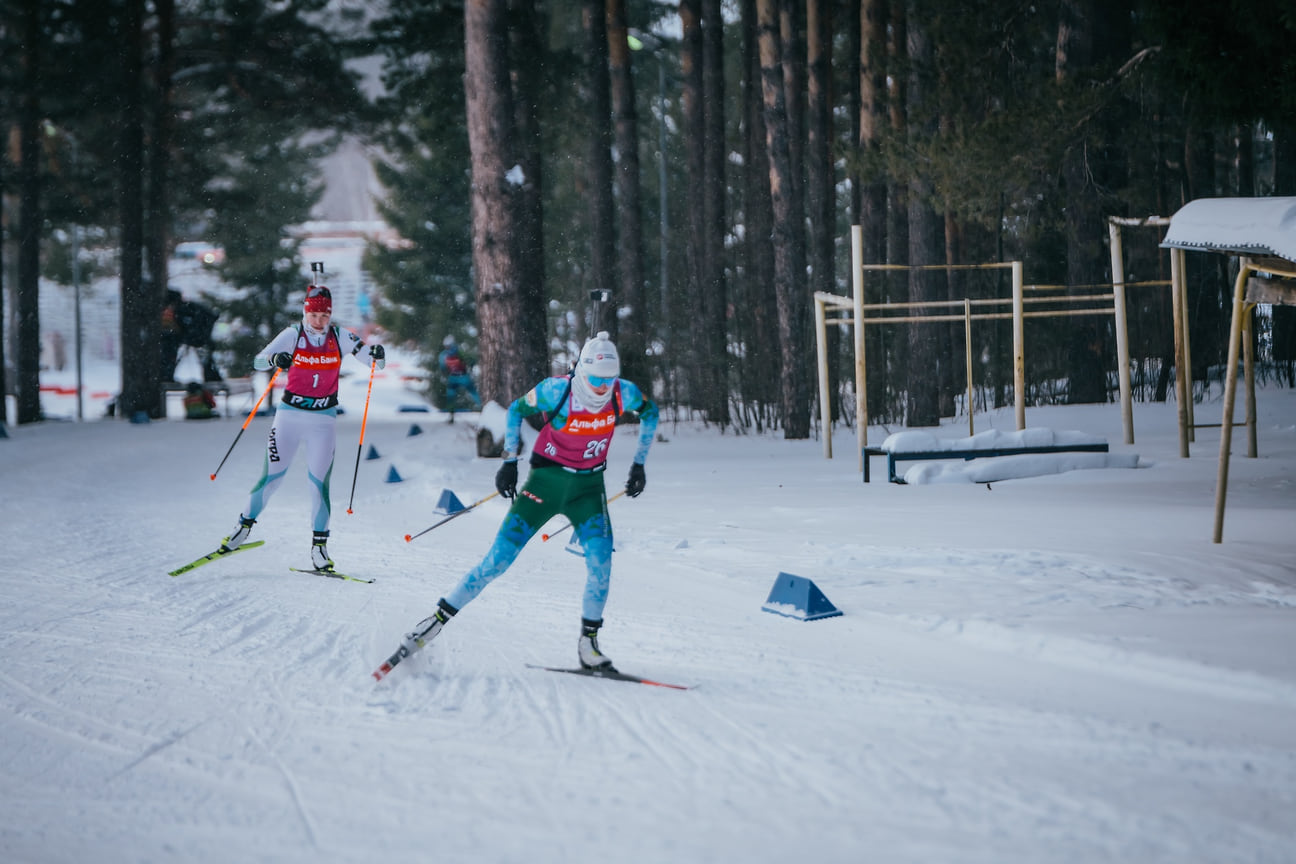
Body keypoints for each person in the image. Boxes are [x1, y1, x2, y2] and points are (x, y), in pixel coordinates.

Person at [402, 331, 658, 670]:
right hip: (545, 484)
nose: (601, 387)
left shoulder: (623, 393)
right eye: (596, 378)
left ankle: (589, 645)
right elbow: (515, 411)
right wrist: (509, 461)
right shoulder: (557, 390)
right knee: (497, 561)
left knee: (601, 563)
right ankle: (433, 622)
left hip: (588, 489)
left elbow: (651, 413)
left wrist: (639, 463)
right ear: (582, 370)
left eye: (608, 379)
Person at [218, 283, 386, 572]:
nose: (319, 321)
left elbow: (374, 362)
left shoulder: (340, 335)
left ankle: (319, 548)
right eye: (314, 315)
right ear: (306, 313)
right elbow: (258, 361)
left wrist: (378, 354)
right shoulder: (292, 334)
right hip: (289, 416)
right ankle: (242, 528)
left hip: (323, 420)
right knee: (271, 478)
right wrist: (274, 359)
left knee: (319, 485)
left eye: (324, 315)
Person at [437, 337, 481, 421]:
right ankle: (451, 415)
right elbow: (470, 360)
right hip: (457, 377)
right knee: (452, 396)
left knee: (471, 393)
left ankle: (482, 408)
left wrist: (470, 368)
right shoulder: (447, 354)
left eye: (448, 346)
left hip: (460, 376)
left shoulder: (453, 353)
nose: (448, 348)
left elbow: (470, 360)